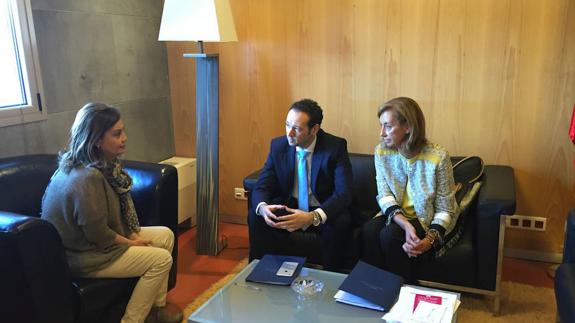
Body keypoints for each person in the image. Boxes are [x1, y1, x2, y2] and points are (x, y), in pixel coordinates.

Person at [41, 103, 182, 323]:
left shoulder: (97, 166)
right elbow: (98, 235)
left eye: (123, 131)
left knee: (165, 235)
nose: (124, 138)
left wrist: (132, 235)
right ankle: (131, 320)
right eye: (117, 134)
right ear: (97, 139)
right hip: (82, 255)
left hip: (90, 244)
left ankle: (155, 309)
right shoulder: (87, 178)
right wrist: (130, 242)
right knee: (161, 260)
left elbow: (105, 223)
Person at [361, 97, 460, 283]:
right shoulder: (382, 151)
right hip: (397, 214)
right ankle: (372, 289)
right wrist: (405, 224)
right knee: (369, 230)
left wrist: (429, 240)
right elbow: (384, 194)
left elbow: (446, 208)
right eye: (380, 125)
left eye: (388, 126)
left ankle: (401, 291)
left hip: (425, 217)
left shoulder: (438, 156)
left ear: (408, 127)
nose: (381, 133)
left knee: (390, 235)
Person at [248, 98, 353, 271]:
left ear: (314, 129)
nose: (289, 133)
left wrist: (313, 216)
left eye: (296, 129)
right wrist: (263, 207)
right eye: (287, 125)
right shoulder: (278, 146)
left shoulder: (335, 147)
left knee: (340, 223)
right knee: (256, 216)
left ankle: (331, 280)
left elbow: (344, 193)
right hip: (290, 205)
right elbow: (262, 185)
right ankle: (261, 274)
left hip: (322, 207)